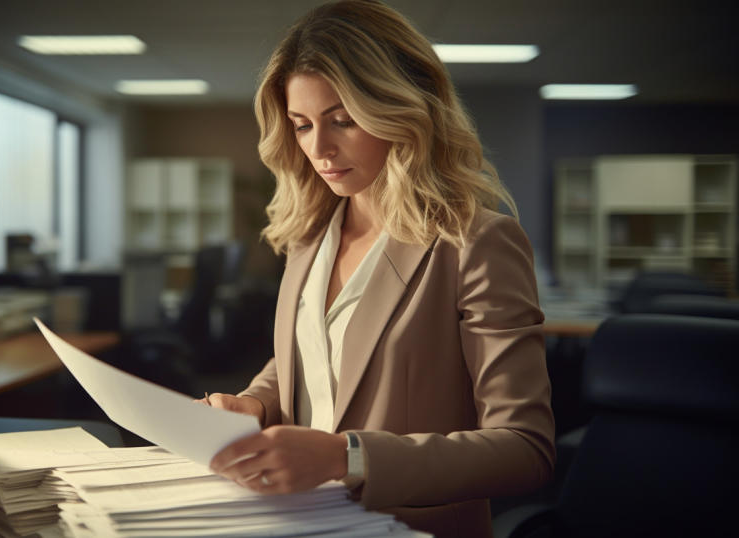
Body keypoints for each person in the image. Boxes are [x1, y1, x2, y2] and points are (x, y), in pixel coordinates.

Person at [201, 1, 555, 536]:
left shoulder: (476, 242)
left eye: (343, 120)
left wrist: (348, 457)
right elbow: (313, 359)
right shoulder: (308, 238)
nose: (319, 149)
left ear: (405, 108)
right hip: (298, 521)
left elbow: (525, 448)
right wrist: (254, 402)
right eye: (301, 125)